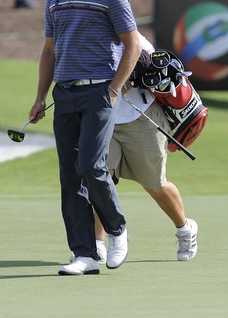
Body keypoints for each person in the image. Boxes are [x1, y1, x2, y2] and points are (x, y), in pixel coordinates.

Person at [29, 0, 141, 275]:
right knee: (68, 175)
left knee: (91, 166)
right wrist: (39, 97)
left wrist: (113, 89)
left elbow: (133, 45)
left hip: (98, 93)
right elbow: (49, 51)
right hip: (64, 94)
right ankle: (85, 254)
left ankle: (116, 229)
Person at [85, 33, 198, 264]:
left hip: (141, 118)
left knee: (155, 185)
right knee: (100, 178)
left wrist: (121, 85)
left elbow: (148, 67)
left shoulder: (130, 34)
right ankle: (96, 244)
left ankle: (185, 228)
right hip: (104, 121)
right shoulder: (84, 34)